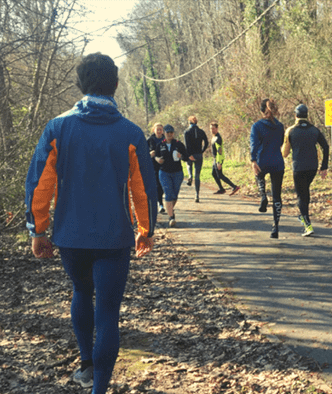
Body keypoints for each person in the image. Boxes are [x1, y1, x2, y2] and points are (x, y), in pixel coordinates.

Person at [25, 53, 157, 393]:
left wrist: (38, 230)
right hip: (114, 238)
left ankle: (85, 363)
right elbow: (143, 187)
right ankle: (99, 386)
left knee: (81, 292)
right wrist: (146, 228)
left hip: (70, 236)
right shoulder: (130, 133)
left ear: (81, 85)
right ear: (115, 84)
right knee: (109, 313)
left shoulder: (57, 127)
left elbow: (40, 185)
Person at [282, 104, 329, 236]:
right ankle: (303, 215)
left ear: (295, 115)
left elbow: (284, 153)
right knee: (305, 192)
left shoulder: (290, 131)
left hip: (298, 167)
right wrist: (324, 166)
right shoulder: (315, 130)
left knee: (301, 195)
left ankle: (307, 224)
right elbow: (325, 147)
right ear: (307, 115)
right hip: (312, 167)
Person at [250, 98, 285, 238]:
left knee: (258, 175)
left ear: (261, 110)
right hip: (277, 162)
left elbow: (254, 144)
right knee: (277, 196)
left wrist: (253, 160)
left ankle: (263, 195)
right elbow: (281, 142)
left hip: (262, 160)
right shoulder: (280, 126)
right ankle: (275, 226)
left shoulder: (257, 126)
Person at [155, 124, 188, 227]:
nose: (169, 134)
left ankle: (170, 210)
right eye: (167, 132)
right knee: (168, 194)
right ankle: (171, 217)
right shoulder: (160, 145)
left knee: (174, 195)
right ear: (164, 133)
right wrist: (158, 160)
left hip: (177, 173)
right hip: (164, 172)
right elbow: (155, 156)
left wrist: (181, 156)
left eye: (171, 132)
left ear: (173, 133)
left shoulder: (179, 144)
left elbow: (186, 157)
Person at [210, 121, 241, 195]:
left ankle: (234, 186)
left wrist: (219, 162)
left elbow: (219, 151)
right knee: (214, 174)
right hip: (216, 158)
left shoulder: (218, 138)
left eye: (213, 128)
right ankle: (221, 189)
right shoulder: (214, 137)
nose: (212, 130)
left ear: (217, 128)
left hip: (218, 159)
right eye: (211, 128)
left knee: (220, 175)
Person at [184, 115, 209, 202]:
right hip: (199, 154)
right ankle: (197, 195)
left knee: (188, 164)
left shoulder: (187, 132)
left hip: (190, 154)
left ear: (189, 123)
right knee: (197, 175)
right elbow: (206, 142)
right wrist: (202, 151)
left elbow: (186, 145)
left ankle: (190, 175)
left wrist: (189, 154)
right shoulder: (201, 131)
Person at [147, 122, 166, 213]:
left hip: (165, 165)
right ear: (153, 130)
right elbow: (143, 153)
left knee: (163, 185)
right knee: (158, 184)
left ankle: (161, 201)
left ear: (163, 131)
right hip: (154, 166)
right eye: (157, 129)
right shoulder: (150, 140)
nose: (159, 131)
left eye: (160, 129)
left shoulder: (166, 140)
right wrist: (149, 154)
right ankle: (160, 204)